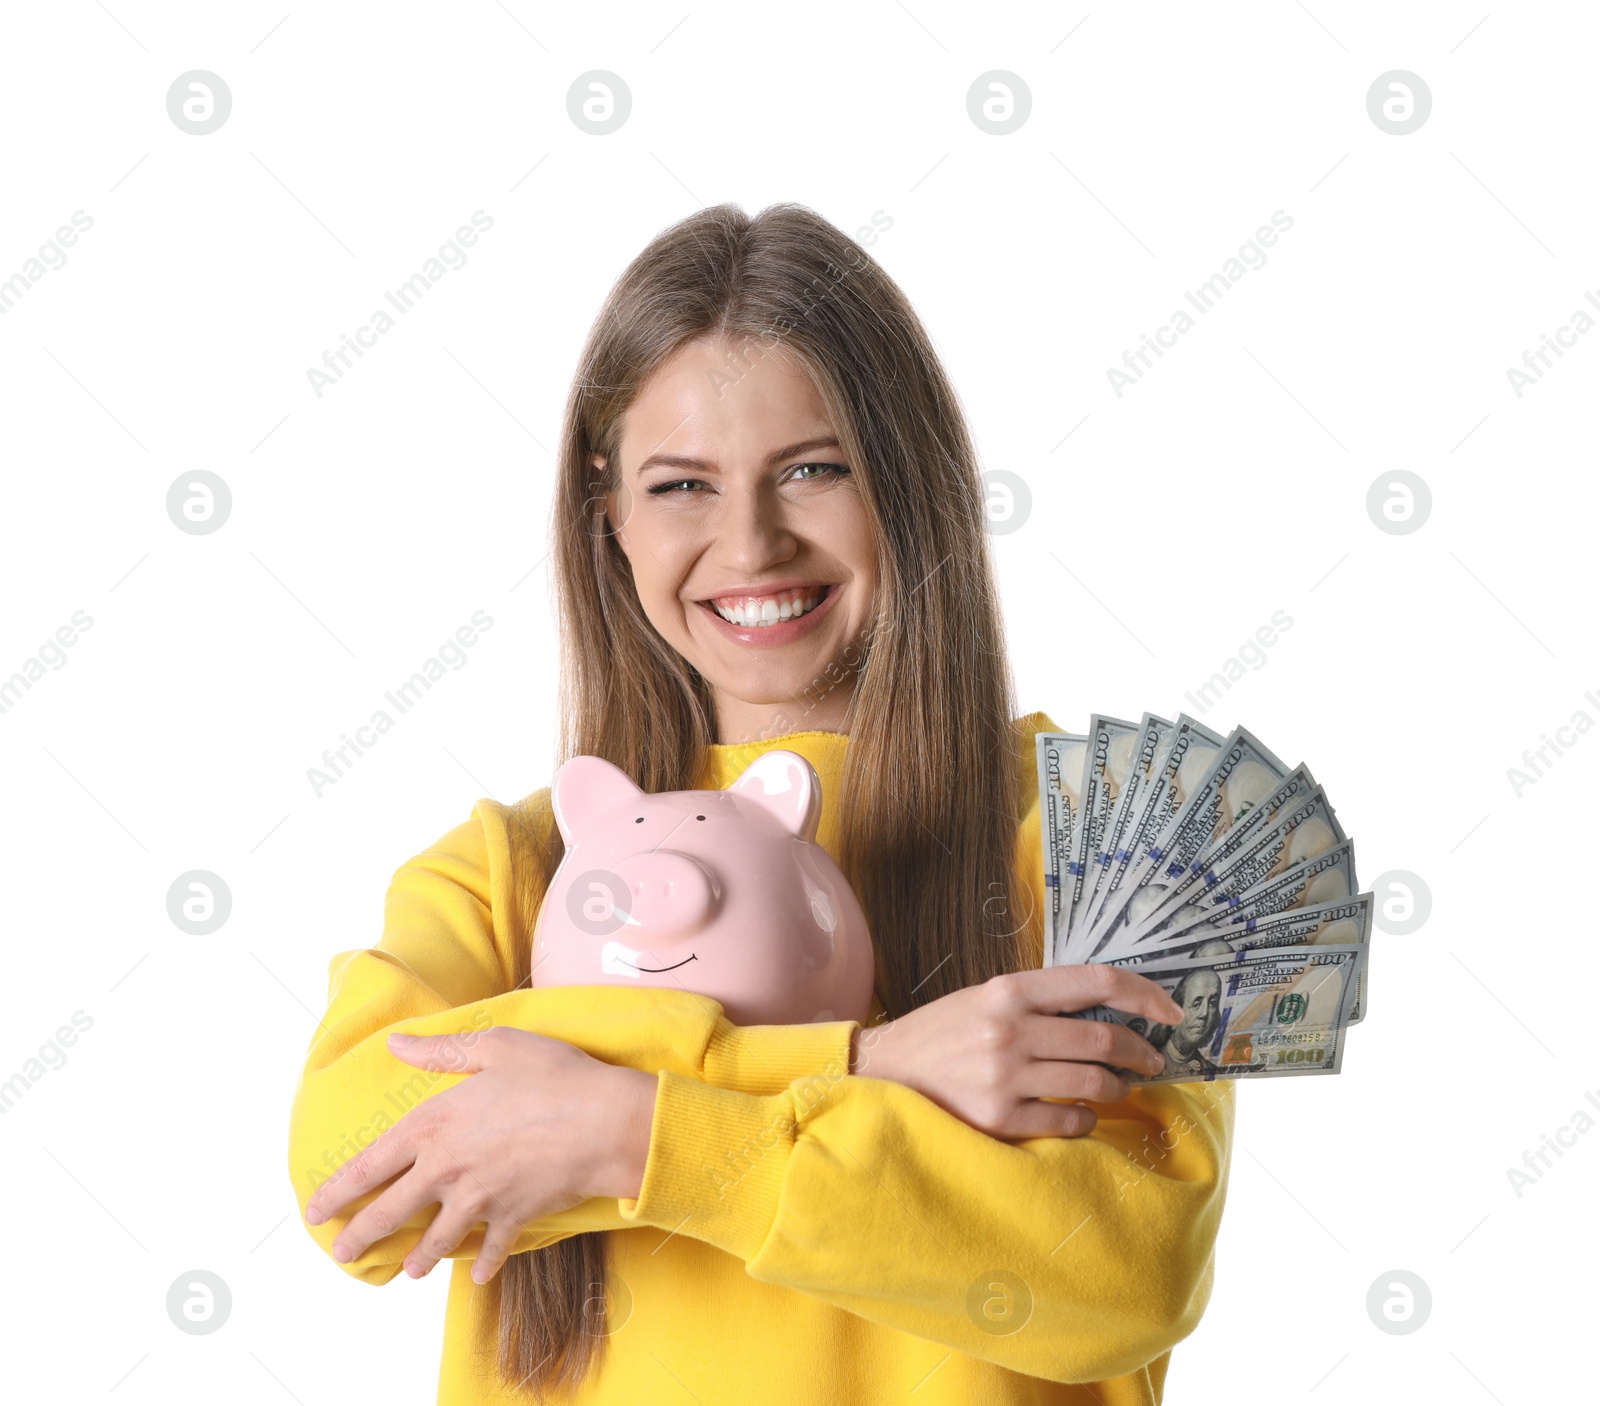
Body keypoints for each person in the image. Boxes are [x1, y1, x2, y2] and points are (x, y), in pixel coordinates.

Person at [287, 202, 1236, 1405]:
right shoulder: (507, 867)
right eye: (680, 484)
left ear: (910, 481)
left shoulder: (1128, 830)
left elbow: (1124, 1270)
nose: (750, 542)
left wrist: (634, 1134)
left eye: (812, 469)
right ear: (608, 522)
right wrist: (868, 1063)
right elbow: (348, 1177)